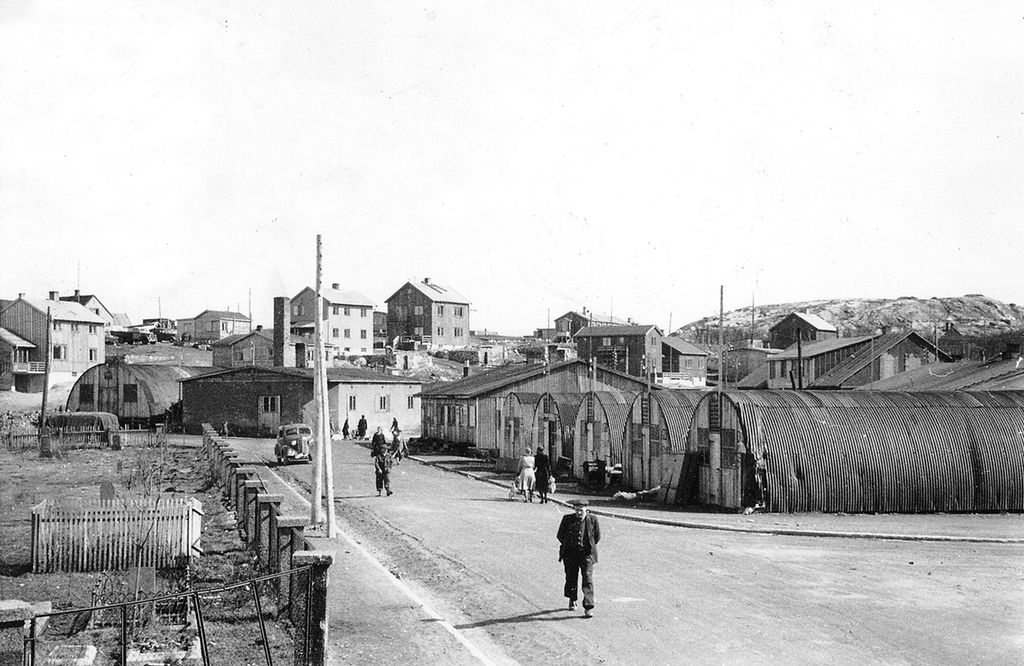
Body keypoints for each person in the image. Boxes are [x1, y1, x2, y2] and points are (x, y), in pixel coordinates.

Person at [556, 499, 601, 618]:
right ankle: (572, 598)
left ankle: (589, 607)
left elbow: (596, 537)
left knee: (588, 579)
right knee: (571, 577)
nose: (579, 513)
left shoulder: (592, 520)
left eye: (581, 511)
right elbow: (560, 535)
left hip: (586, 554)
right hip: (571, 554)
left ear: (586, 510)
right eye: (577, 510)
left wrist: (586, 547)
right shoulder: (567, 519)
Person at [370, 427, 393, 496]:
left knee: (387, 479)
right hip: (380, 470)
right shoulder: (378, 456)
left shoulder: (388, 456)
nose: (384, 451)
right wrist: (378, 469)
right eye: (383, 449)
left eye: (385, 450)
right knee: (379, 480)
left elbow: (391, 462)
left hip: (386, 469)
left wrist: (389, 467)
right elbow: (376, 463)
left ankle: (388, 490)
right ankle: (379, 492)